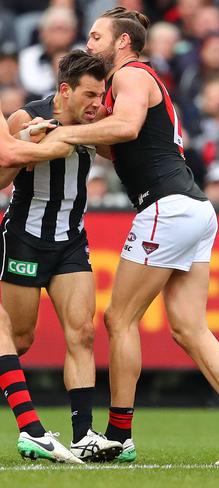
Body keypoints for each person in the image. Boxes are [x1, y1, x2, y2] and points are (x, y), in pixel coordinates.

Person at [43, 7, 219, 465]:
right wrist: (72, 131)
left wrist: (68, 134)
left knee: (119, 319)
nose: (89, 44)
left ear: (123, 43)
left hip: (165, 208)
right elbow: (120, 145)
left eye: (96, 37)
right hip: (195, 209)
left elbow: (125, 128)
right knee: (189, 327)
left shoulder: (129, 75)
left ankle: (119, 435)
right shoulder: (136, 80)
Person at [0, 49, 123, 463]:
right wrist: (27, 143)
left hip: (70, 240)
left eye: (101, 94)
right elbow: (2, 176)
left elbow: (120, 150)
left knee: (83, 333)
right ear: (65, 90)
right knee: (19, 339)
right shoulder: (24, 117)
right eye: (89, 94)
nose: (96, 103)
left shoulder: (99, 122)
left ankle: (83, 434)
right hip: (25, 239)